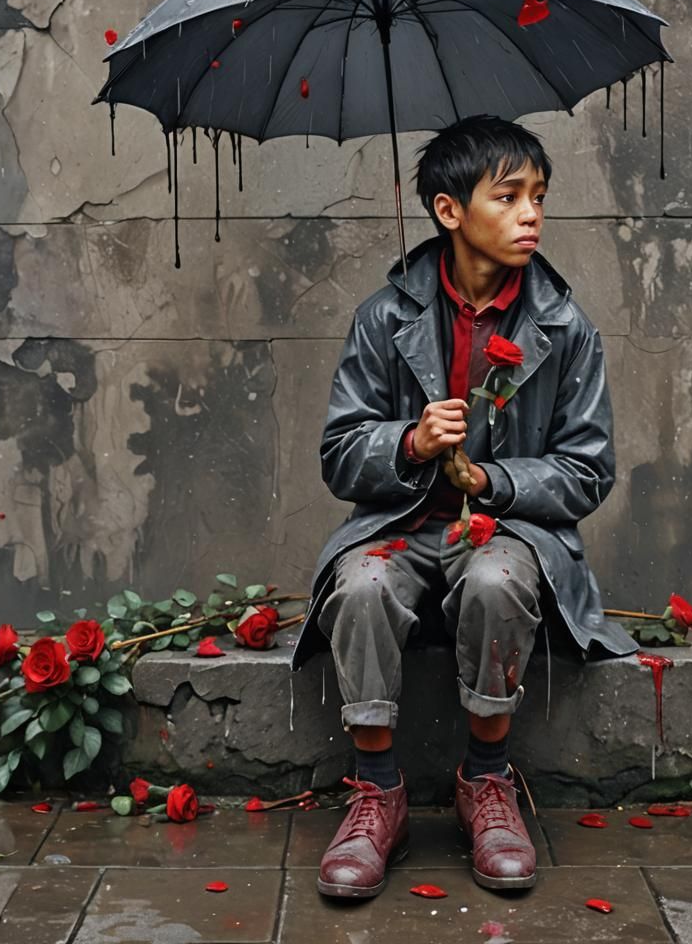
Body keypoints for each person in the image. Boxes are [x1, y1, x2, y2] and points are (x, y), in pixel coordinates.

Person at [290, 114, 636, 899]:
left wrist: (496, 482)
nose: (530, 215)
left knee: (496, 580)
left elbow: (587, 469)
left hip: (505, 532)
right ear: (450, 212)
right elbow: (340, 453)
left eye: (538, 197)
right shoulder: (385, 317)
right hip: (400, 529)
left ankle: (486, 778)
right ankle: (378, 790)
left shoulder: (563, 327)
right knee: (362, 584)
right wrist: (409, 444)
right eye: (508, 196)